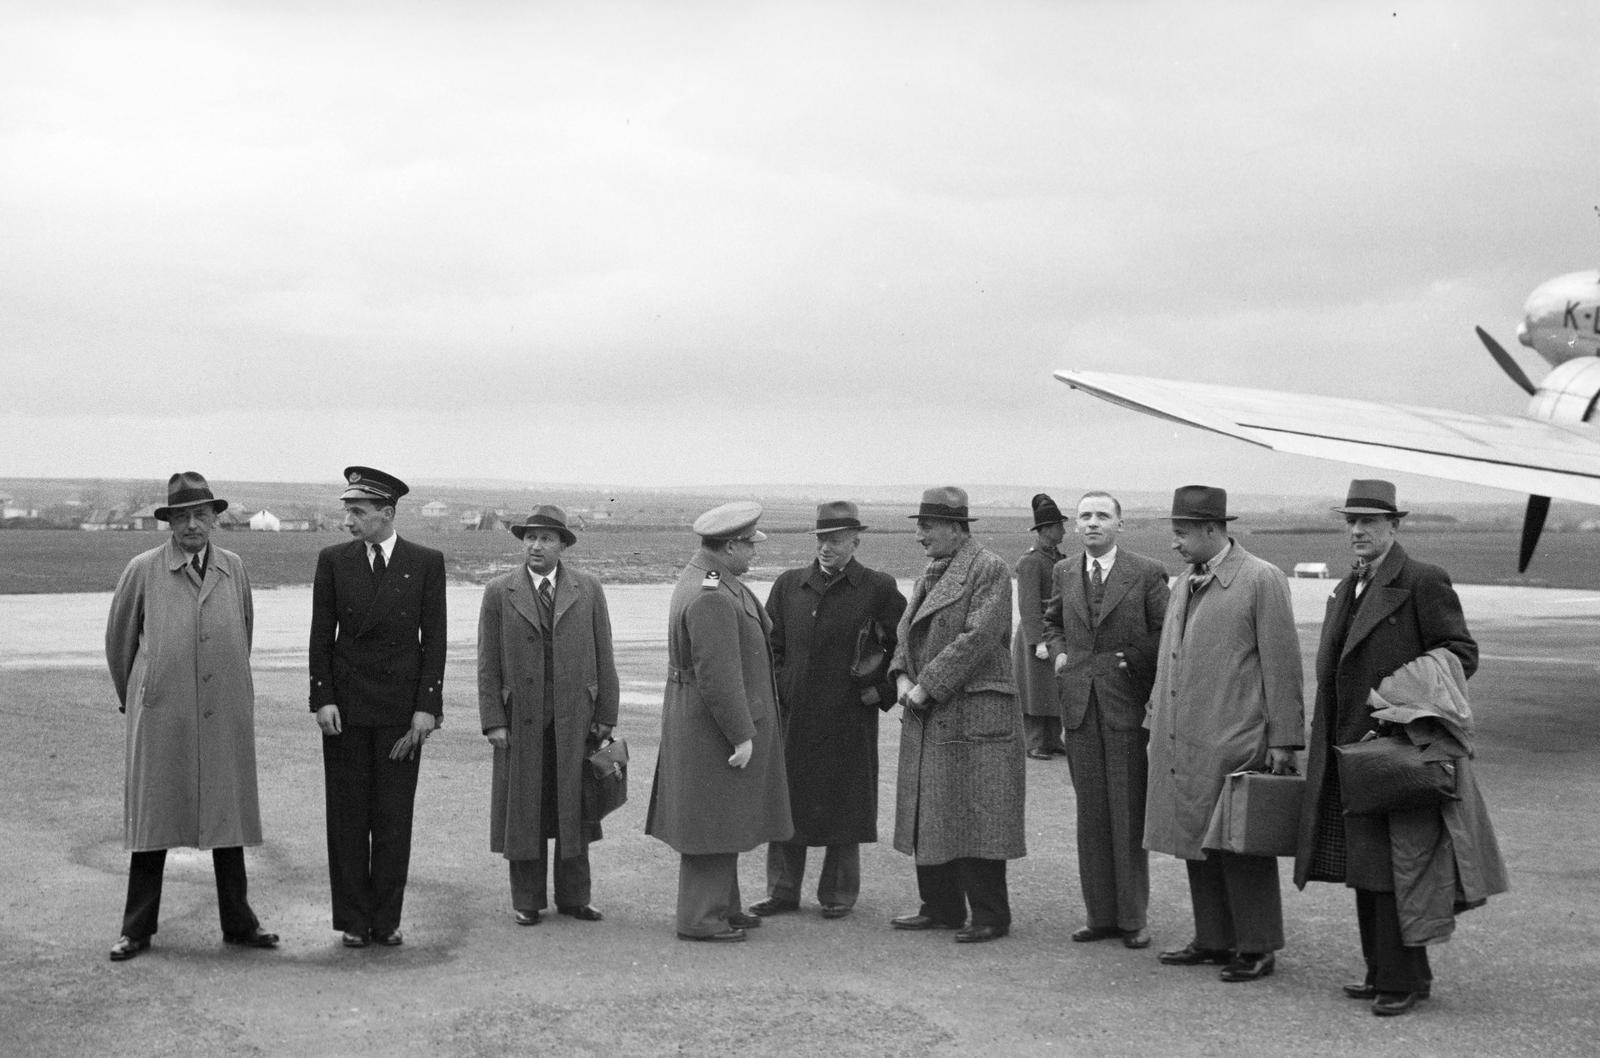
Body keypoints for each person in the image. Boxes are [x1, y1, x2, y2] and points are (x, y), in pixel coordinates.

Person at [1293, 480, 1507, 1016]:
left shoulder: (1422, 580)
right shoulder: (1348, 587)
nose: (1357, 531)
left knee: (1399, 867)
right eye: (1351, 521)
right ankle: (1385, 973)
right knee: (1367, 867)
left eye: (1369, 521)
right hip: (1352, 751)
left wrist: (1398, 701)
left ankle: (1400, 980)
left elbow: (1460, 653)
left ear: (1394, 525)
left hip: (1399, 749)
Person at [104, 471, 278, 961]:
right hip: (163, 714)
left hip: (221, 711)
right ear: (169, 523)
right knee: (153, 818)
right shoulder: (143, 570)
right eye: (182, 517)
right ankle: (136, 928)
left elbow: (243, 630)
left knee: (227, 816)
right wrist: (141, 693)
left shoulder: (233, 568)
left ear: (214, 519)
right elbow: (119, 642)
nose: (193, 525)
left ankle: (239, 923)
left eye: (201, 515)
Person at [1145, 485, 1303, 982]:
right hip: (1185, 738)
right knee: (1195, 838)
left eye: (1182, 532)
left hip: (1237, 738)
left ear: (1212, 529)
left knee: (1241, 844)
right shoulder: (1184, 583)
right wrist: (1155, 723)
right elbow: (1168, 659)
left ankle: (1257, 946)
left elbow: (1283, 665)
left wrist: (1284, 739)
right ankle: (1212, 939)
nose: (1174, 542)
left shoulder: (1261, 579)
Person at [748, 501, 907, 921]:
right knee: (788, 803)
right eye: (822, 539)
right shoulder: (789, 585)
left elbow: (905, 646)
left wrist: (881, 691)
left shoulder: (878, 588)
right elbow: (770, 645)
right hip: (796, 716)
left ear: (856, 541)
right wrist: (782, 684)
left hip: (848, 717)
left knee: (845, 804)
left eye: (836, 540)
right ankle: (782, 892)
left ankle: (838, 893)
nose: (826, 547)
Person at [309, 466, 446, 949]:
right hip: (345, 711)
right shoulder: (333, 561)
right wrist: (323, 697)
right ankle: (352, 919)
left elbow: (435, 641)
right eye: (347, 510)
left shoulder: (425, 562)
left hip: (399, 714)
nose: (348, 520)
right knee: (347, 819)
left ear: (387, 513)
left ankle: (386, 919)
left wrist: (427, 707)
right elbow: (321, 636)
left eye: (358, 511)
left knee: (392, 819)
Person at [645, 502, 792, 941]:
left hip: (704, 722)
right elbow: (717, 676)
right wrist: (741, 734)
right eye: (749, 545)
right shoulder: (712, 594)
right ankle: (701, 919)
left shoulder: (712, 578)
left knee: (724, 816)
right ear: (730, 547)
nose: (754, 553)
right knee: (711, 822)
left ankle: (724, 906)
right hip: (712, 727)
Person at [889, 487, 1025, 943]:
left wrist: (928, 684)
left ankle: (990, 915)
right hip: (931, 708)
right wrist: (900, 676)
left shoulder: (988, 568)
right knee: (932, 809)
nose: (919, 536)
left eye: (926, 527)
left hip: (972, 711)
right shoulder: (931, 571)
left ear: (954, 527)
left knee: (977, 812)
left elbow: (979, 636)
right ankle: (941, 908)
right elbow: (905, 633)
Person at [478, 506, 619, 925]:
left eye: (546, 539)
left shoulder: (588, 589)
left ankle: (575, 898)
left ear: (562, 545)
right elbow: (487, 663)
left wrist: (606, 713)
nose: (536, 546)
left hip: (576, 720)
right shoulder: (499, 591)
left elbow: (605, 653)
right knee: (525, 811)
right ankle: (527, 901)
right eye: (530, 538)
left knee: (576, 808)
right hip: (520, 721)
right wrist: (493, 719)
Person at [1042, 490, 1169, 950]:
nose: (1093, 523)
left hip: (1125, 705)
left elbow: (1167, 631)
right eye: (1085, 516)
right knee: (1091, 815)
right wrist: (1058, 653)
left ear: (1120, 524)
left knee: (1127, 813)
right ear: (1076, 525)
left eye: (1102, 516)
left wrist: (1128, 660)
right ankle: (1100, 916)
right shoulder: (1064, 571)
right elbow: (1053, 622)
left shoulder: (1147, 572)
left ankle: (1132, 918)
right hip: (1079, 707)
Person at [1013, 493, 1069, 761]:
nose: (1063, 531)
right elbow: (1028, 605)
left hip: (1055, 631)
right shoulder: (1031, 561)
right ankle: (1035, 741)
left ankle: (1052, 738)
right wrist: (1037, 641)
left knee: (1054, 688)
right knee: (1036, 690)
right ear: (1046, 530)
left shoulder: (1057, 558)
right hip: (1036, 633)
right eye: (1059, 526)